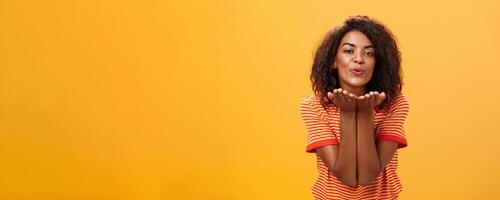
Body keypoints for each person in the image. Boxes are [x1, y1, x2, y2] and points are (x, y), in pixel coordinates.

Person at [300, 15, 410, 200]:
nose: (359, 59)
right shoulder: (314, 106)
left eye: (369, 53)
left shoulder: (394, 103)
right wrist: (349, 113)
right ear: (333, 60)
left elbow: (367, 177)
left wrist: (366, 114)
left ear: (378, 62)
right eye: (349, 51)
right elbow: (348, 177)